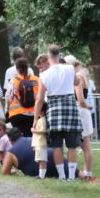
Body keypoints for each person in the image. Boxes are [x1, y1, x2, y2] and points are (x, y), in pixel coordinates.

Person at [33, 45, 83, 181]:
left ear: (48, 57)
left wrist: (35, 118)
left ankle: (61, 175)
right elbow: (77, 82)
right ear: (59, 55)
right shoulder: (69, 68)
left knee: (57, 145)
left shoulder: (43, 75)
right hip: (70, 107)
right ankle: (72, 176)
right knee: (72, 145)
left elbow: (39, 99)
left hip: (54, 109)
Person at [67, 55, 95, 180]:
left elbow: (80, 99)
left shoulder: (77, 77)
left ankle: (87, 172)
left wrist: (88, 106)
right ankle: (87, 171)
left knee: (85, 146)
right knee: (86, 145)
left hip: (80, 112)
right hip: (83, 112)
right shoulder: (83, 76)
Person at [7, 57, 38, 137]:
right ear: (28, 67)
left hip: (17, 114)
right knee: (32, 137)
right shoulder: (36, 80)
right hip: (34, 114)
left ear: (17, 68)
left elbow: (9, 98)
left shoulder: (13, 81)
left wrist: (7, 110)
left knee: (19, 138)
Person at [31, 103, 49, 179]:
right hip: (39, 143)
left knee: (42, 160)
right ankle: (41, 175)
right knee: (41, 159)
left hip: (40, 143)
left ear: (41, 111)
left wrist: (34, 131)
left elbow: (44, 131)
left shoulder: (42, 120)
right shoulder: (41, 120)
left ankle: (41, 176)